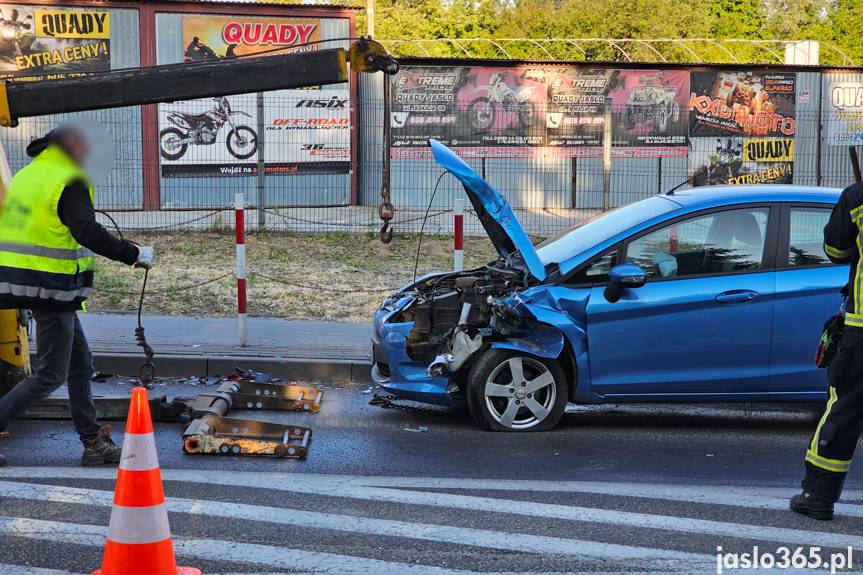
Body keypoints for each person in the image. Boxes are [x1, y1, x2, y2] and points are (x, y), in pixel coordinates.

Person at [0, 123, 155, 467]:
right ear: (69, 145)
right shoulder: (67, 178)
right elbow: (86, 230)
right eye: (84, 146)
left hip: (31, 283)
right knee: (51, 374)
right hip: (52, 289)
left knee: (80, 365)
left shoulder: (29, 174)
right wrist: (134, 254)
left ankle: (91, 441)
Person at [790, 179, 863, 520]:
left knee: (844, 410)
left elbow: (835, 251)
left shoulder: (858, 196)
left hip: (862, 331)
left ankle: (817, 496)